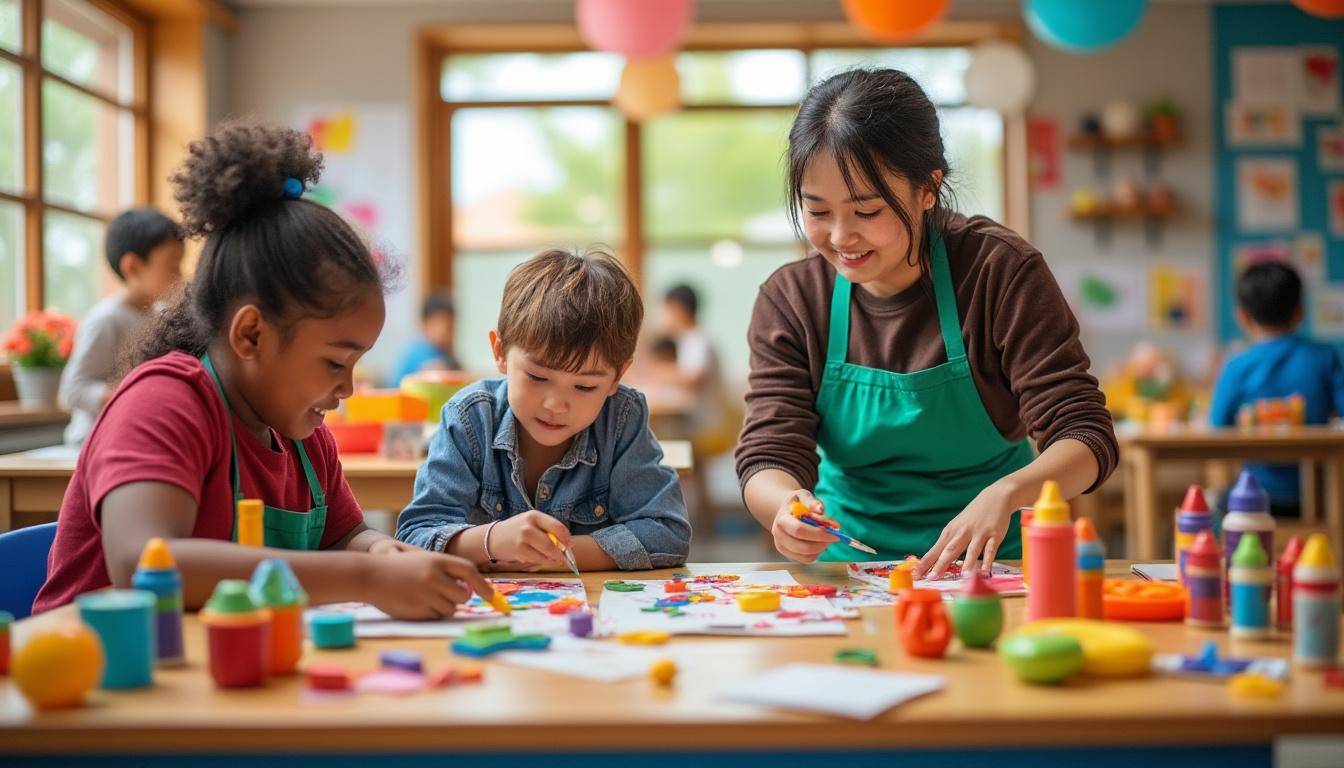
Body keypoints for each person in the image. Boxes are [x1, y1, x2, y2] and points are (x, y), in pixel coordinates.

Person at [34, 120, 491, 617]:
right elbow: (144, 560)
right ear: (251, 334)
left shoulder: (302, 435)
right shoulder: (162, 400)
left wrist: (380, 552)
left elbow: (345, 535)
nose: (348, 387)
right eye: (336, 361)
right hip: (101, 674)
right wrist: (367, 576)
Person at [735, 69, 1118, 578]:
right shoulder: (792, 299)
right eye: (818, 211)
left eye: (867, 210)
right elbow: (768, 451)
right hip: (848, 574)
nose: (841, 236)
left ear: (927, 188)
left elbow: (1085, 433)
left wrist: (1008, 494)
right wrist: (784, 507)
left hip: (992, 565)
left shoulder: (997, 272)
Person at [396, 248, 690, 571]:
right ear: (501, 351)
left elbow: (668, 533)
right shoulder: (468, 419)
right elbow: (415, 536)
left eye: (584, 387)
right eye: (537, 377)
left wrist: (555, 556)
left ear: (617, 376)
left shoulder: (620, 420)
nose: (556, 405)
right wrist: (492, 541)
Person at [1209, 261, 1344, 514]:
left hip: (1252, 498)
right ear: (1301, 312)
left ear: (1243, 317)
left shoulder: (1237, 366)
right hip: (1321, 498)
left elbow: (1217, 427)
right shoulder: (1325, 357)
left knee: (1217, 501)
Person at [59, 207, 184, 447]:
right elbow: (72, 389)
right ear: (133, 267)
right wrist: (131, 394)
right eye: (172, 265)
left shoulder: (162, 317)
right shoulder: (105, 320)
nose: (179, 275)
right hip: (92, 443)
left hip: (135, 436)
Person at [392, 291, 461, 385]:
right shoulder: (414, 354)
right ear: (424, 324)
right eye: (438, 325)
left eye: (450, 327)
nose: (444, 333)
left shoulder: (448, 356)